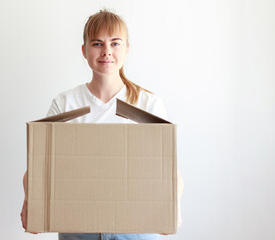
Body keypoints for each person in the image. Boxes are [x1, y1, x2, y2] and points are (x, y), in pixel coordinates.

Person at [21, 9, 184, 240]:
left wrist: (174, 208)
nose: (107, 51)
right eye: (97, 43)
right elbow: (41, 166)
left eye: (115, 43)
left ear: (127, 49)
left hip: (136, 230)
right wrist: (30, 202)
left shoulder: (148, 104)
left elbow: (168, 171)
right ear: (84, 51)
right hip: (79, 229)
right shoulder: (66, 103)